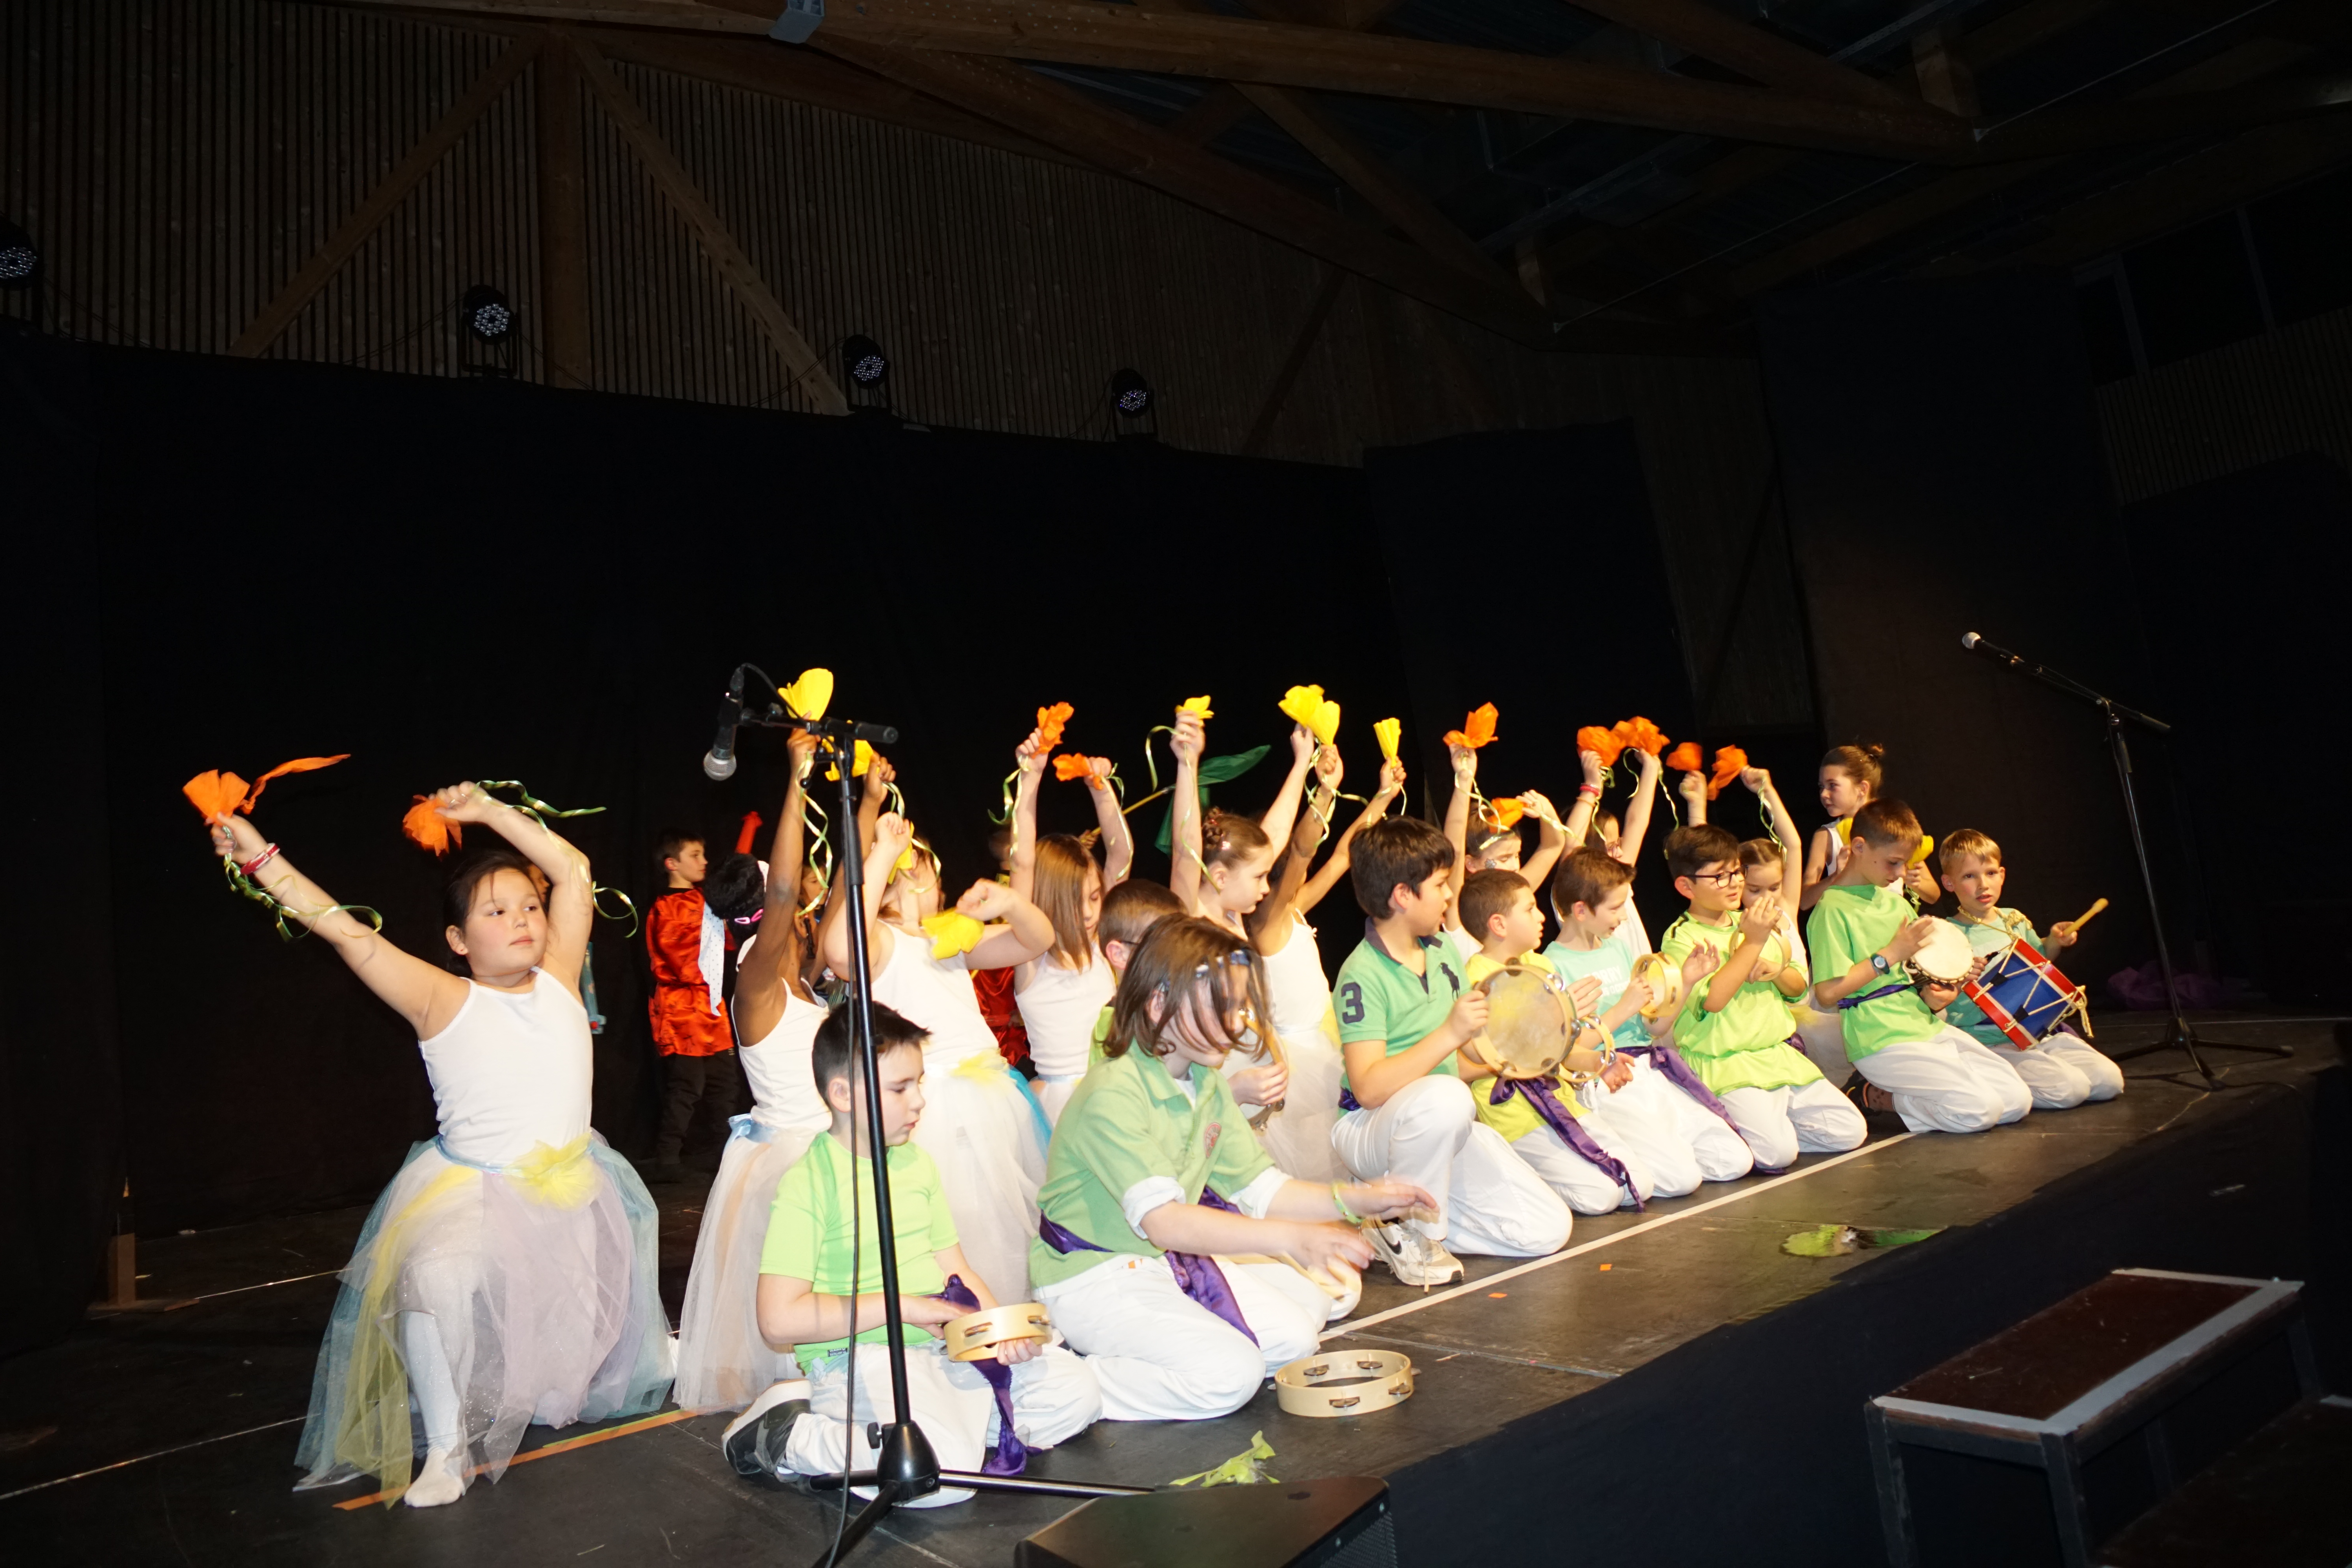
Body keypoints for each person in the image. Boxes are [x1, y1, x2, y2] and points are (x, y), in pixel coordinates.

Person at [205, 784, 670, 1508]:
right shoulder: (441, 999)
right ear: (458, 940)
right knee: (433, 1276)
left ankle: (645, 1353)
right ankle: (448, 1448)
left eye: (529, 907)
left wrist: (491, 813)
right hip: (475, 1190)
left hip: (572, 1184)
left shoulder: (559, 978)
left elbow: (574, 869)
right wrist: (259, 858)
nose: (521, 920)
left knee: (562, 1387)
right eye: (495, 912)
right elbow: (345, 932)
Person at [1032, 918, 1434, 1421]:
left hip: (1158, 1263)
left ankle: (1162, 1349)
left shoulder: (1204, 1081)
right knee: (1233, 1376)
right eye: (1221, 1004)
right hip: (1092, 1275)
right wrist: (1292, 1238)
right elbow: (1166, 1223)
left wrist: (1356, 1199)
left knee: (1298, 1335)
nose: (1238, 1021)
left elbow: (1261, 1187)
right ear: (1158, 1004)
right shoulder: (1113, 1091)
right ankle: (1078, 1381)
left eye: (1240, 1005)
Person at [723, 1002, 1101, 1501]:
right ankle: (790, 1434)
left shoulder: (917, 1163)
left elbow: (957, 1270)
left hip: (937, 1353)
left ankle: (941, 1428)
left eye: (918, 1083)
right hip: (859, 1360)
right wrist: (904, 1307)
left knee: (1076, 1393)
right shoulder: (809, 1182)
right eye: (900, 1088)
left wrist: (997, 1333)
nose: (920, 1100)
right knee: (934, 1480)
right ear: (842, 1094)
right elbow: (778, 1320)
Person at [822, 806, 1054, 1302]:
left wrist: (1012, 903)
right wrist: (883, 852)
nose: (931, 881)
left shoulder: (947, 939)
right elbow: (840, 951)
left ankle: (1008, 1312)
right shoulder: (880, 941)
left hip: (989, 1098)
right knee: (956, 1221)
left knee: (1003, 1220)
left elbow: (1037, 940)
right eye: (923, 870)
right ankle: (965, 1315)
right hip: (934, 1106)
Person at [1332, 817, 1574, 1286]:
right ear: (1403, 895)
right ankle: (1405, 1225)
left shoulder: (1442, 950)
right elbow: (1368, 1088)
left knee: (1547, 1229)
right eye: (1441, 884)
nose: (1450, 895)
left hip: (1438, 1121)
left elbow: (1462, 1063)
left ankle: (1389, 1223)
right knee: (1446, 1097)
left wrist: (1539, 1032)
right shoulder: (1361, 973)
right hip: (1371, 1129)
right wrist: (1448, 1034)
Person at [674, 729, 835, 1414]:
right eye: (789, 900)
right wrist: (798, 776)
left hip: (821, 1144)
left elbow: (839, 897)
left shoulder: (799, 974)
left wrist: (868, 806)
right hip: (795, 1159)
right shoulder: (758, 978)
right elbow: (790, 887)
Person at [1658, 773, 1868, 1171]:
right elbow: (1713, 1001)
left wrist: (1775, 970)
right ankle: (1719, 1124)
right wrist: (1752, 943)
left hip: (1777, 1055)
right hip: (1726, 1062)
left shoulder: (1752, 920)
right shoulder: (1681, 937)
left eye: (1737, 872)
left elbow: (1797, 988)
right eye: (1721, 876)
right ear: (1686, 887)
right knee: (1777, 1154)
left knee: (1849, 1131)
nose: (1734, 883)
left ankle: (1768, 1126)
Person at [1808, 799, 2033, 1135]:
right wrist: (1889, 955)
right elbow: (1828, 994)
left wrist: (1948, 982)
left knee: (2016, 1100)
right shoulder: (1832, 909)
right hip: (1879, 1039)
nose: (1901, 874)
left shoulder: (1895, 903)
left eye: (1905, 864)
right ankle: (1877, 1097)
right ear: (1859, 847)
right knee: (1980, 1110)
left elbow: (1917, 978)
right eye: (1894, 862)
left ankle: (1914, 1098)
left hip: (1923, 1026)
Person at [1543, 847, 1754, 1189]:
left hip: (1647, 1069)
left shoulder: (1617, 948)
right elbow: (1567, 1050)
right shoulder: (1552, 966)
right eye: (1615, 908)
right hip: (1605, 1077)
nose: (1623, 917)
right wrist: (1623, 1008)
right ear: (1581, 910)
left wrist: (1686, 982)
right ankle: (1619, 1152)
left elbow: (1653, 1027)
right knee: (1681, 1180)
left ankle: (1655, 1145)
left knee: (1734, 1158)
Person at [1241, 748, 1407, 1182]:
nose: (1306, 862)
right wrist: (1325, 791)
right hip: (1300, 1059)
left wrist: (1383, 797)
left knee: (1332, 1153)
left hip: (1324, 1038)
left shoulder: (1292, 909)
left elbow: (1342, 857)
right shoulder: (1265, 924)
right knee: (1313, 1163)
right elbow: (1302, 849)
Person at [1456, 869, 1662, 1213]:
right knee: (1602, 1196)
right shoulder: (1474, 981)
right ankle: (1523, 1173)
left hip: (1562, 1101)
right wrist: (1544, 1021)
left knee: (1639, 1184)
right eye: (1530, 909)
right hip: (1516, 1116)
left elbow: (1561, 1048)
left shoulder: (1539, 964)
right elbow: (1476, 1059)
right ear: (1499, 924)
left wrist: (1598, 1062)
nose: (1542, 917)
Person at [1937, 829, 2124, 1107]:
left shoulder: (2014, 919)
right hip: (1989, 1040)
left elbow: (2039, 960)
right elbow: (1937, 996)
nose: (1983, 885)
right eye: (1969, 876)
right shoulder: (1946, 934)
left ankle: (2033, 1071)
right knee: (2070, 1090)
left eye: (1990, 873)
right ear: (1949, 883)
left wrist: (2055, 941)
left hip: (2037, 1033)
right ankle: (1993, 1078)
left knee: (2109, 1081)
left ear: (2002, 875)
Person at [1007, 724, 1133, 1124]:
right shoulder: (1031, 955)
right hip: (1061, 1108)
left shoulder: (1104, 946)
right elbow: (1022, 863)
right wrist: (1030, 780)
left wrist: (1101, 790)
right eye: (1076, 903)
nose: (1091, 912)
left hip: (1114, 1089)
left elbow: (1121, 856)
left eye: (1095, 897)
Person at [647, 827, 739, 1176]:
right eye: (695, 856)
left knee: (724, 1084)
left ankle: (726, 1153)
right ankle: (668, 1158)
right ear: (672, 864)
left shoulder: (705, 900)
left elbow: (726, 943)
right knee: (688, 1086)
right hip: (683, 1011)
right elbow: (681, 961)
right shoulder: (666, 908)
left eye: (703, 854)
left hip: (710, 1008)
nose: (704, 862)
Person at [1739, 834, 1851, 1082]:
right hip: (1782, 1021)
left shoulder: (1786, 909)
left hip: (1810, 1006)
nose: (1767, 898)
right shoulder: (1738, 927)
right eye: (1755, 890)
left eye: (1774, 888)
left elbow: (1794, 844)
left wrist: (1769, 803)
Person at [1800, 743, 1938, 911]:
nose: (1824, 794)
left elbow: (1934, 895)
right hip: (1851, 921)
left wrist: (1916, 883)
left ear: (1862, 788)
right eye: (1822, 787)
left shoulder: (1893, 828)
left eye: (1833, 785)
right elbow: (1805, 901)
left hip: (1892, 921)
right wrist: (1837, 876)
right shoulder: (1827, 835)